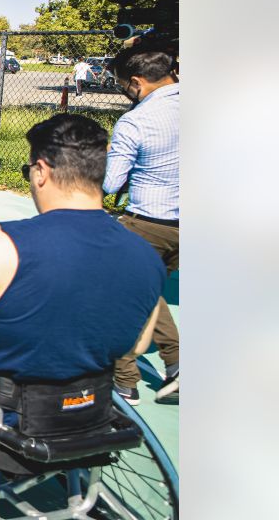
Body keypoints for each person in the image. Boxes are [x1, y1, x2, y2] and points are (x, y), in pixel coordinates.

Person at [0, 114, 164, 413]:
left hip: (1, 412)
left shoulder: (3, 244)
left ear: (41, 171)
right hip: (87, 411)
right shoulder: (145, 255)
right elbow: (137, 344)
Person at [105, 42, 181, 405]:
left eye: (123, 85)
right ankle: (178, 363)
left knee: (121, 297)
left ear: (136, 82)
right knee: (150, 293)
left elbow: (110, 182)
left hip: (149, 221)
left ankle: (125, 382)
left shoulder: (136, 120)